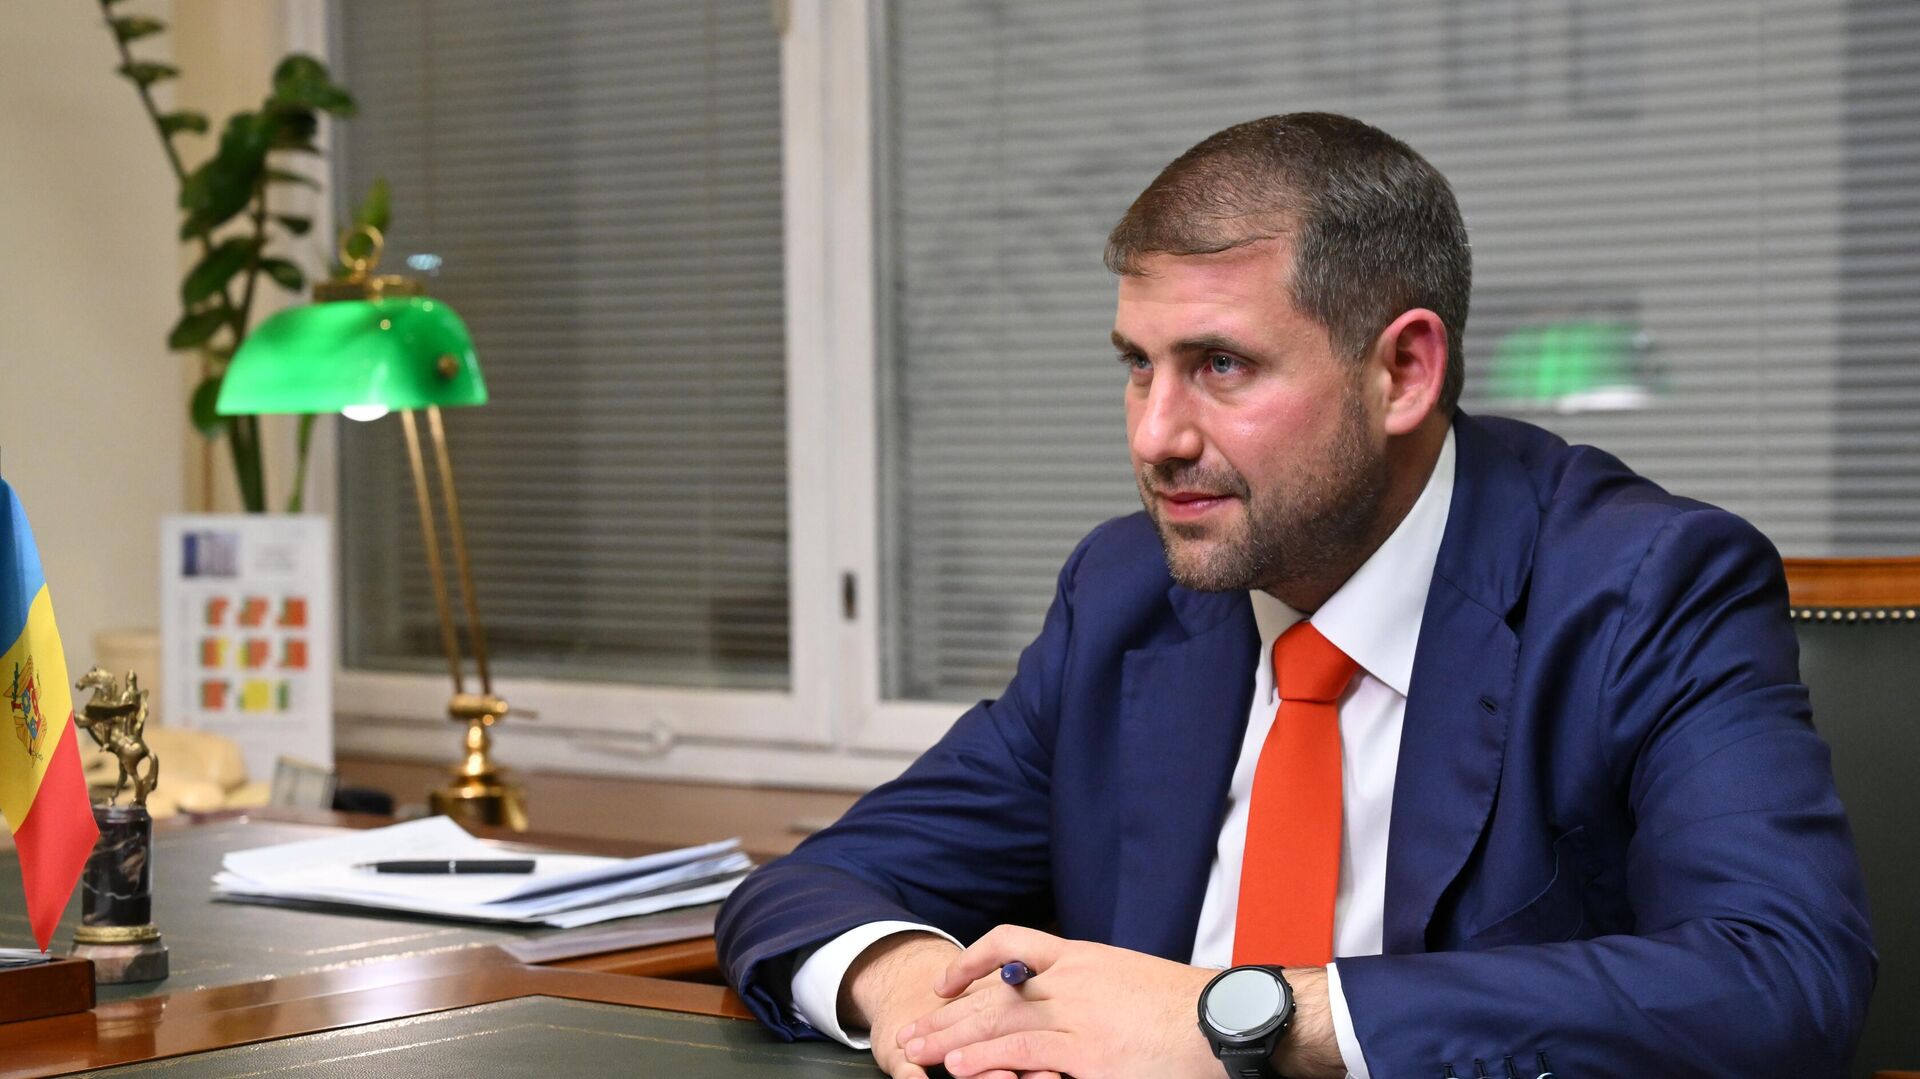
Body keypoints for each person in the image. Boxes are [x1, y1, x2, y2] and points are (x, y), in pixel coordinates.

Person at [715, 113, 1874, 1078]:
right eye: (1137, 365)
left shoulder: (1642, 586)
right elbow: (812, 885)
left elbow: (1781, 976)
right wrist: (915, 986)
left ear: (1402, 370)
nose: (1156, 436)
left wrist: (1239, 1017)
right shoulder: (1125, 592)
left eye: (1220, 365)